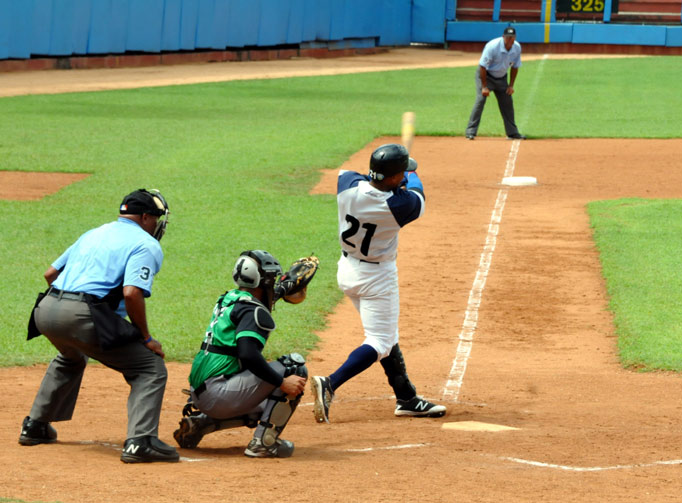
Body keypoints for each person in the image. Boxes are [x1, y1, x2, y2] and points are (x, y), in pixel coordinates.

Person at [20, 188, 178, 463]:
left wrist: (66, 309)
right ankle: (140, 441)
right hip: (81, 314)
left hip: (45, 310)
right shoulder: (146, 244)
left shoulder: (94, 233)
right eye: (156, 218)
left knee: (70, 355)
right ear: (144, 217)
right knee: (149, 368)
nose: (157, 224)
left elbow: (50, 274)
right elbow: (131, 293)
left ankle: (35, 425)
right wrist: (146, 337)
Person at [310, 143, 446, 424]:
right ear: (396, 177)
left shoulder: (346, 182)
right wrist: (411, 172)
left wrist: (395, 176)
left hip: (347, 269)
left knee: (385, 334)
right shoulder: (399, 205)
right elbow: (418, 194)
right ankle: (330, 384)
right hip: (376, 278)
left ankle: (406, 397)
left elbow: (369, 180)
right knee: (380, 341)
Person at [173, 250, 308, 458]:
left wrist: (282, 289)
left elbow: (256, 303)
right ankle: (264, 443)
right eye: (272, 278)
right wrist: (282, 383)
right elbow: (248, 355)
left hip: (200, 393)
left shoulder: (229, 299)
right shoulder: (253, 311)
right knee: (293, 367)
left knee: (267, 404)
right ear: (262, 280)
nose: (273, 283)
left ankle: (201, 423)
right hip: (219, 395)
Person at [465, 26, 526, 140]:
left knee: (507, 103)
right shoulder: (492, 46)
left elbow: (515, 67)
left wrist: (511, 85)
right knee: (480, 100)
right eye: (508, 37)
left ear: (515, 38)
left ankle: (512, 133)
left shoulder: (517, 48)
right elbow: (483, 67)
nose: (510, 40)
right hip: (486, 76)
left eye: (512, 38)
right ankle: (470, 132)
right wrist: (484, 87)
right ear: (503, 37)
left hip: (502, 78)